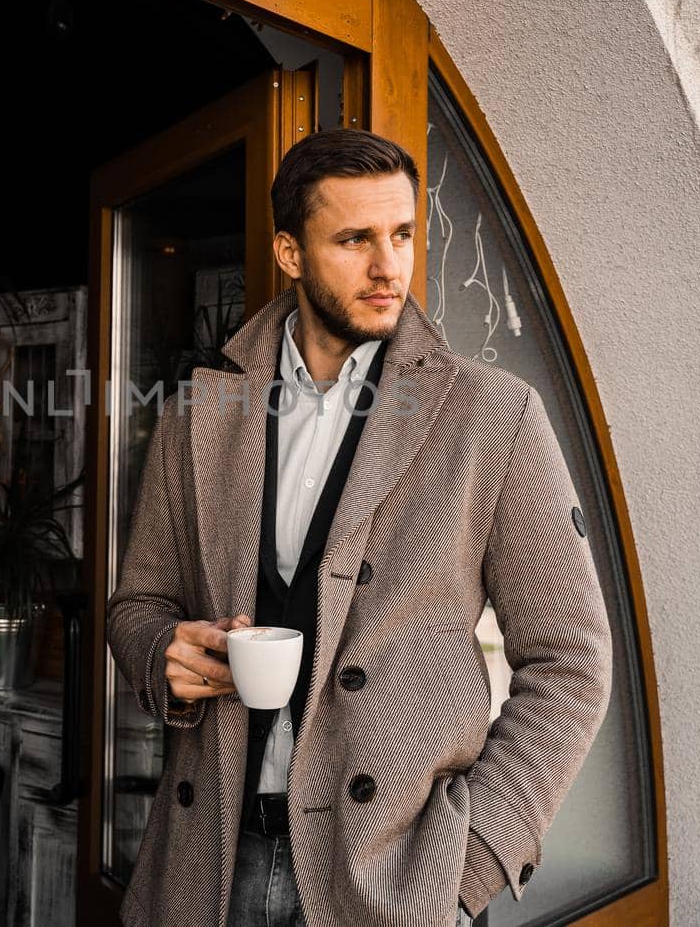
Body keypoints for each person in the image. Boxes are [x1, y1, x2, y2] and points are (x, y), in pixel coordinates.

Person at [106, 128, 612, 927]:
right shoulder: (203, 409)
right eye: (354, 239)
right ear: (289, 251)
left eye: (403, 234)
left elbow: (572, 660)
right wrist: (160, 652)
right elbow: (137, 603)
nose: (390, 267)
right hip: (208, 864)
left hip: (395, 881)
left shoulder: (493, 415)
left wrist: (466, 866)